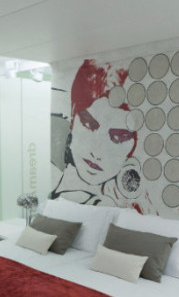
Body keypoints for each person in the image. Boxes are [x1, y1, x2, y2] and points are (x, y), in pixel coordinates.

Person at [51, 59, 153, 212]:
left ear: (134, 145)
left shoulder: (114, 206)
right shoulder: (51, 175)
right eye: (88, 124)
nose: (96, 152)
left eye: (118, 138)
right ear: (73, 118)